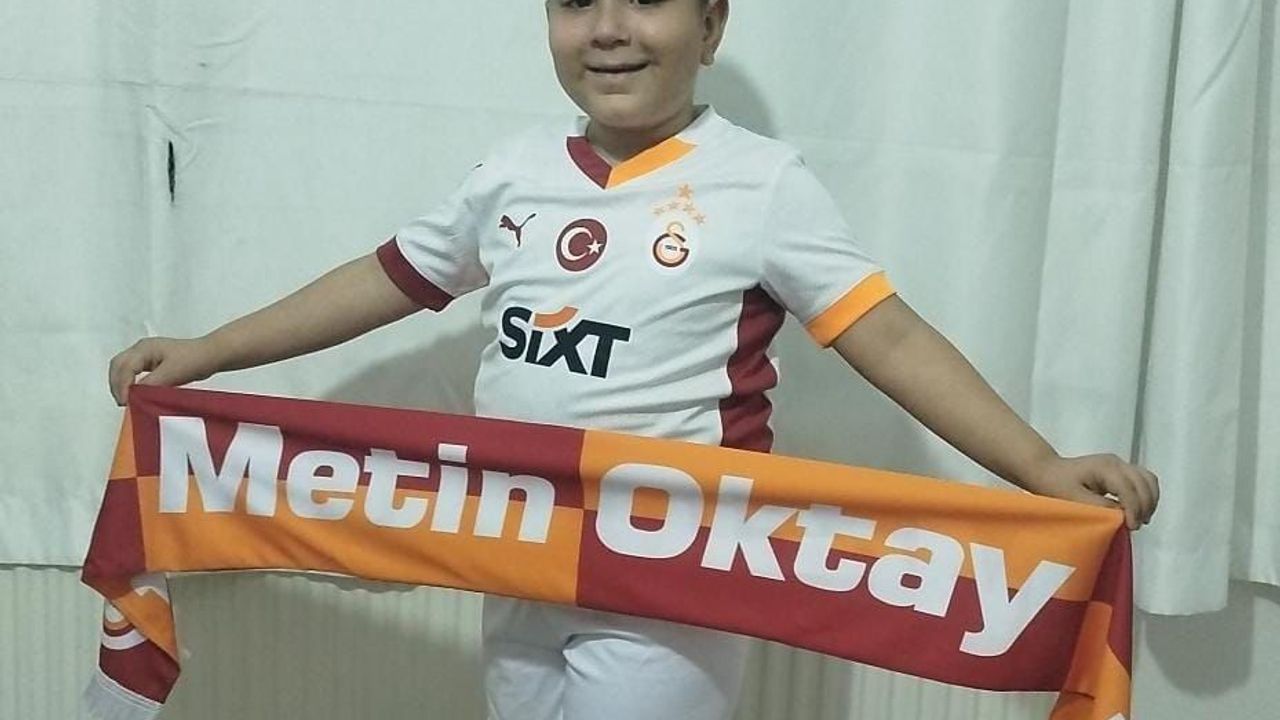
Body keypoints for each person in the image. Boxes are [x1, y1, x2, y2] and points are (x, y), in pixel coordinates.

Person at [107, 1, 1160, 718]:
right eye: (575, 1)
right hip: (516, 552)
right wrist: (209, 352)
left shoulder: (762, 183)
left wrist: (1036, 466)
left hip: (671, 575)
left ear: (711, 24)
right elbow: (384, 279)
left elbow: (887, 335)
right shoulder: (512, 171)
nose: (607, 28)